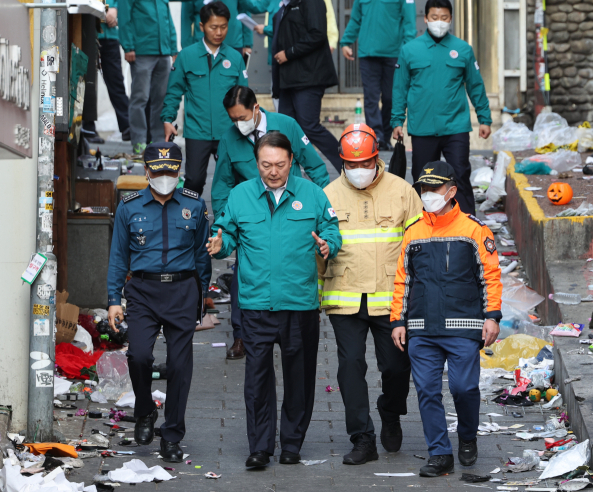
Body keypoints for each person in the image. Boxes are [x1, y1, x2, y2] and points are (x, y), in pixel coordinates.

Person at [206, 132, 342, 468]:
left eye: (279, 165)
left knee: (300, 378)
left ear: (291, 162)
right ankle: (261, 447)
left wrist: (328, 245)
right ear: (257, 163)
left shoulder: (313, 195)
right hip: (255, 305)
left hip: (299, 305)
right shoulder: (240, 196)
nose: (273, 171)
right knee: (257, 380)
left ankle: (292, 444)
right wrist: (218, 245)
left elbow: (332, 229)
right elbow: (226, 235)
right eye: (266, 164)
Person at [319, 123, 423, 465]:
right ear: (342, 163)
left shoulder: (403, 191)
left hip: (390, 299)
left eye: (365, 164)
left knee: (395, 367)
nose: (359, 171)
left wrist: (418, 298)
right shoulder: (329, 195)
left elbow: (419, 247)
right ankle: (362, 438)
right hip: (344, 295)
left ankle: (390, 412)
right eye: (352, 165)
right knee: (350, 366)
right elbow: (316, 247)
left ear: (377, 159)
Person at [390, 160, 502, 477]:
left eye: (434, 188)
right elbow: (402, 281)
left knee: (464, 388)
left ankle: (467, 435)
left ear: (452, 191)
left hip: (463, 328)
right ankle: (439, 453)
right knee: (426, 391)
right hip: (421, 329)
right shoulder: (413, 233)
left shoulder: (474, 231)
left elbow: (490, 277)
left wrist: (492, 317)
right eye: (424, 188)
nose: (427, 194)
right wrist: (397, 321)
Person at [107, 142, 212, 462]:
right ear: (146, 171)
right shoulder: (129, 206)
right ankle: (144, 411)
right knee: (138, 356)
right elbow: (117, 257)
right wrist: (113, 299)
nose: (164, 176)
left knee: (180, 367)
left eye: (171, 171)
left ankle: (172, 434)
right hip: (142, 292)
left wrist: (202, 294)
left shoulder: (194, 206)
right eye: (158, 171)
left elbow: (201, 255)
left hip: (182, 293)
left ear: (179, 173)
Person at [212, 85, 331, 360]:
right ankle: (243, 335)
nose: (238, 124)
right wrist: (222, 226)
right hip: (252, 216)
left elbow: (314, 165)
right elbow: (221, 185)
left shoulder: (286, 124)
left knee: (293, 269)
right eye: (233, 119)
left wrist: (327, 203)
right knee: (247, 275)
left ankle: (293, 327)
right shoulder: (229, 139)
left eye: (242, 118)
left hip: (291, 212)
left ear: (256, 109)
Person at [391, 0, 492, 215]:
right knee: (422, 179)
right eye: (435, 18)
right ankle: (423, 226)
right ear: (425, 18)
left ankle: (467, 229)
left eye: (444, 18)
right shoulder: (410, 50)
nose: (439, 22)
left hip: (456, 127)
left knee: (461, 176)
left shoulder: (463, 49)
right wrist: (397, 121)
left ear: (451, 19)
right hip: (422, 128)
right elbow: (400, 88)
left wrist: (484, 118)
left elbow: (475, 85)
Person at [161, 1, 248, 198]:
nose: (219, 32)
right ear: (202, 26)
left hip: (229, 131)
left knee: (231, 181)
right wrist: (168, 120)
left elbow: (244, 96)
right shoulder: (186, 56)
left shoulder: (235, 58)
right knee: (194, 181)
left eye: (224, 27)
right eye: (213, 27)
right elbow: (174, 91)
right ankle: (191, 222)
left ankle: (227, 225)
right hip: (197, 131)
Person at [271, 0, 343, 173]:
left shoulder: (312, 2)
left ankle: (348, 166)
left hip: (309, 77)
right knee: (286, 131)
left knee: (309, 126)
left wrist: (289, 53)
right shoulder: (283, 7)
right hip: (288, 80)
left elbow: (317, 33)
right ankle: (290, 177)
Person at [340, 0, 416, 150]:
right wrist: (346, 42)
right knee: (371, 98)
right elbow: (356, 18)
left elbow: (409, 22)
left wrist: (408, 49)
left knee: (390, 97)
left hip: (394, 54)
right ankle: (376, 137)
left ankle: (386, 136)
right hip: (368, 54)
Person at [118, 0, 178, 154]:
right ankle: (139, 142)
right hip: (141, 51)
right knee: (140, 98)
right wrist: (128, 46)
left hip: (163, 52)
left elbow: (168, 20)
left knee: (161, 99)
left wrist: (173, 47)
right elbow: (125, 18)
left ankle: (158, 141)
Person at [94, 0, 131, 142]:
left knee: (116, 82)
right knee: (85, 82)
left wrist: (115, 9)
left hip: (109, 36)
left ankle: (127, 126)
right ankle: (86, 126)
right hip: (87, 30)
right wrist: (104, 12)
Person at [180, 0, 267, 55]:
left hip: (233, 44)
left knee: (233, 82)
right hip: (203, 46)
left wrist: (247, 44)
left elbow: (244, 13)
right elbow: (186, 19)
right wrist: (186, 48)